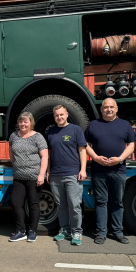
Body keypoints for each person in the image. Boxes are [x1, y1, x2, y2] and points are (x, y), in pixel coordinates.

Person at [85, 98, 136, 245]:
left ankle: (118, 232)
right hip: (98, 170)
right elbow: (85, 144)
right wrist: (95, 158)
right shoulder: (93, 125)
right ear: (101, 110)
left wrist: (120, 159)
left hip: (118, 169)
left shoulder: (125, 125)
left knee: (117, 202)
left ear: (117, 108)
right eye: (106, 107)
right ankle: (101, 233)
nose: (109, 109)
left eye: (111, 107)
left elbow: (131, 146)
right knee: (101, 202)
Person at [47, 105, 87, 246]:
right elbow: (50, 153)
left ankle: (77, 231)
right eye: (57, 115)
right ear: (54, 117)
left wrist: (83, 169)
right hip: (56, 175)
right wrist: (48, 170)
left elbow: (82, 150)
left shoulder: (76, 130)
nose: (60, 117)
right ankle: (64, 229)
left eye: (62, 114)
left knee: (75, 205)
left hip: (72, 174)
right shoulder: (51, 132)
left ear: (67, 114)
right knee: (61, 205)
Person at [8, 112, 48, 242]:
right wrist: (16, 165)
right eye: (21, 122)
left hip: (34, 176)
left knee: (33, 204)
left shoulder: (38, 137)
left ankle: (32, 231)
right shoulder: (14, 136)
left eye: (26, 122)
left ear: (31, 123)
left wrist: (41, 174)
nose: (23, 124)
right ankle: (21, 231)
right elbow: (11, 153)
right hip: (19, 176)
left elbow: (45, 156)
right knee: (15, 202)